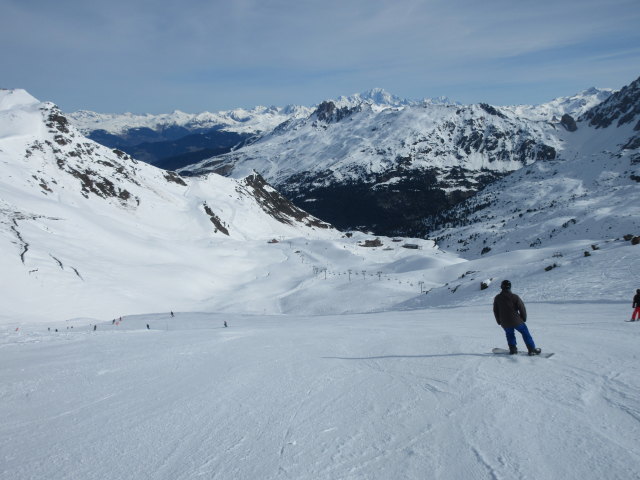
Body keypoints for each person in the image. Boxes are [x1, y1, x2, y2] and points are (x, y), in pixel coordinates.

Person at [493, 280, 541, 355]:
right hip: (517, 321)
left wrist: (499, 321)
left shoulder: (497, 298)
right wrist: (523, 318)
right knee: (525, 333)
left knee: (509, 334)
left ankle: (513, 350)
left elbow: (495, 310)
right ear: (510, 287)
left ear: (502, 287)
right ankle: (531, 349)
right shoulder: (514, 297)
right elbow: (522, 308)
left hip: (504, 322)